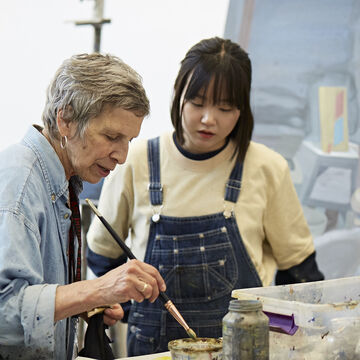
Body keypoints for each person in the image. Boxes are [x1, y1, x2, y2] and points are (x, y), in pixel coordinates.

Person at [86, 37, 324, 356]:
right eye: (197, 103)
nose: (209, 119)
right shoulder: (137, 161)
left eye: (225, 108)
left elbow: (299, 274)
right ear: (178, 96)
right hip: (153, 350)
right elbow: (103, 256)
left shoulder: (267, 168)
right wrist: (137, 312)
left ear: (241, 110)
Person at [0, 53, 167, 360]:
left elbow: (34, 293)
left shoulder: (64, 178)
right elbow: (4, 314)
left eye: (129, 139)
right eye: (112, 136)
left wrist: (82, 303)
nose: (122, 155)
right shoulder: (18, 187)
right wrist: (98, 290)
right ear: (65, 120)